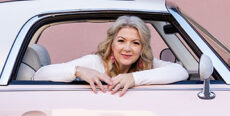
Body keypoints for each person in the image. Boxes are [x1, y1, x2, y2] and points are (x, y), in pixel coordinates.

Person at [33, 15, 188, 95]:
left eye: (135, 43)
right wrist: (78, 71)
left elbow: (180, 71)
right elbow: (40, 75)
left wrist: (133, 78)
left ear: (142, 48)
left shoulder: (147, 64)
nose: (127, 48)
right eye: (121, 41)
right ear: (112, 43)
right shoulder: (95, 62)